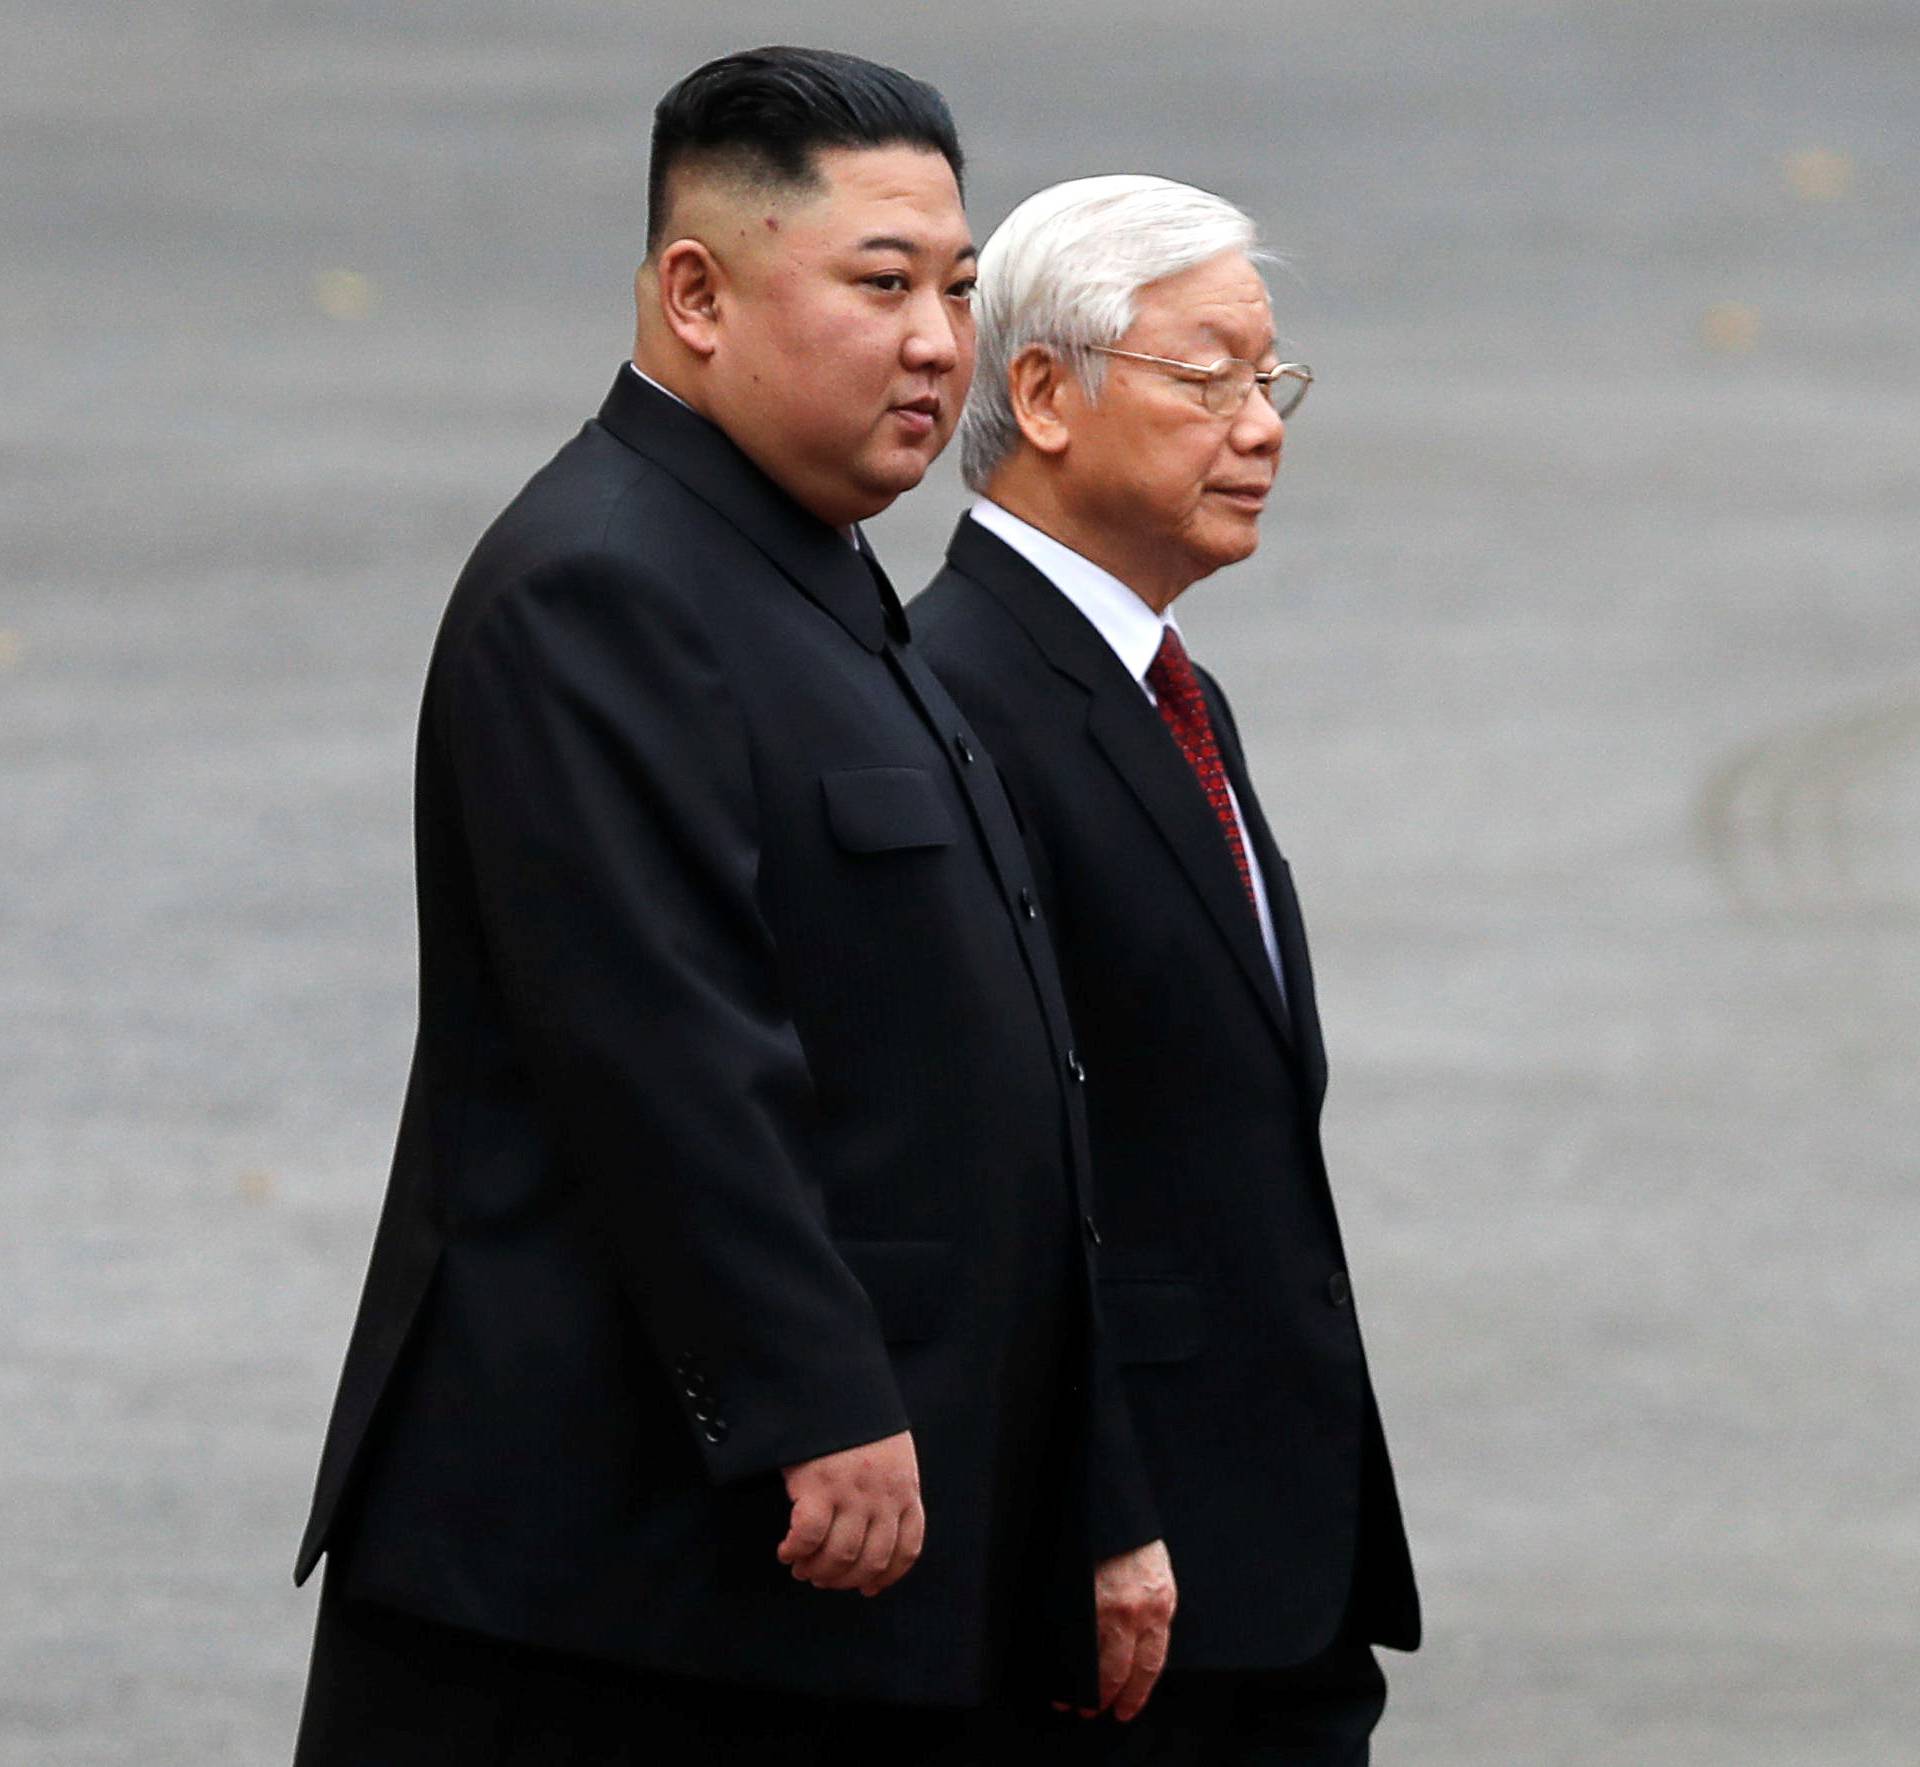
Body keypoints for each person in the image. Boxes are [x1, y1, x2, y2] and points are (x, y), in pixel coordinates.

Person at [290, 55, 1166, 1765]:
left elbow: (992, 1077)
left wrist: (1085, 1476)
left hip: (828, 1564)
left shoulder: (813, 565)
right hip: (610, 1585)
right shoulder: (603, 579)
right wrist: (813, 1395)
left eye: (960, 291)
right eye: (881, 284)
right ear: (696, 293)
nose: (938, 343)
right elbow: (659, 1036)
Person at [912, 175, 1422, 1764]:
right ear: (1046, 396)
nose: (1261, 426)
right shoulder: (958, 706)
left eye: (1270, 382)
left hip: (1261, 1556)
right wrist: (1092, 1505)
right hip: (1123, 1598)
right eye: (1208, 380)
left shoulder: (1153, 685)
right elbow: (976, 1171)